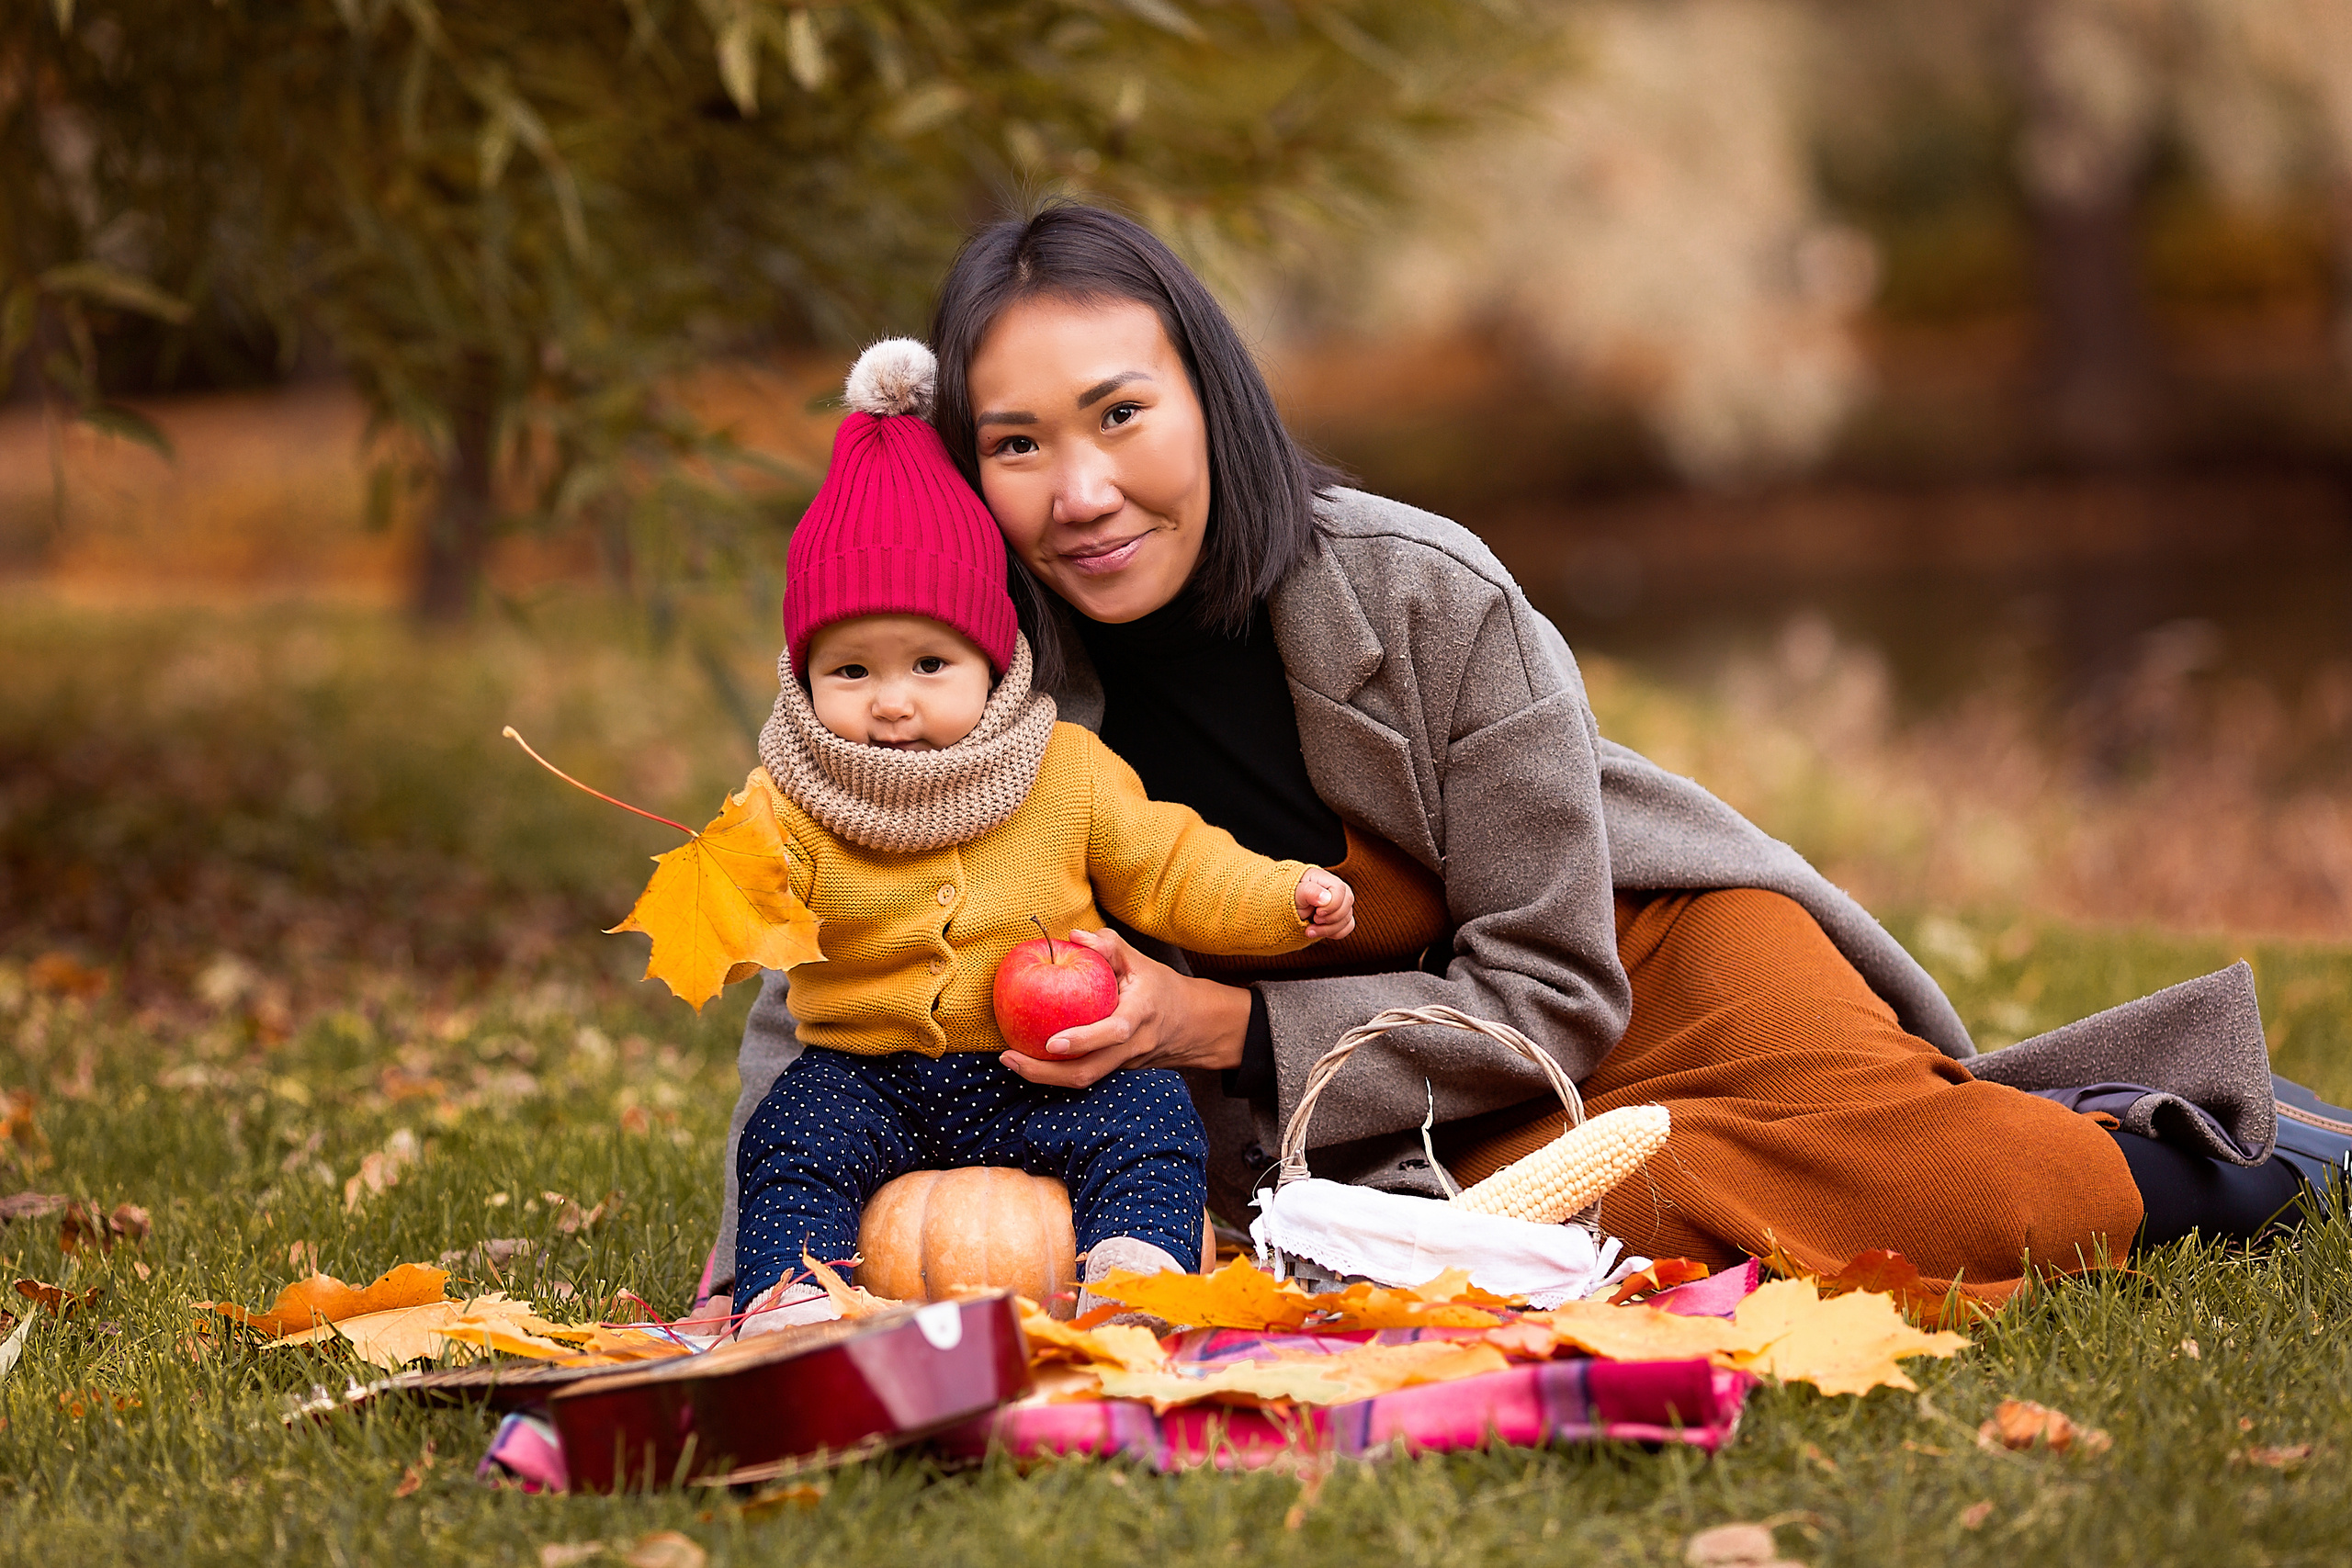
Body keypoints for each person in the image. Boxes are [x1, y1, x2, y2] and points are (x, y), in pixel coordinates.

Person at [699, 205, 2348, 1324]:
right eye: (1017, 443)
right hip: (1389, 1106)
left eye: (1120, 413)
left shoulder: (1420, 593)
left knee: (1922, 1174)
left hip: (1633, 963)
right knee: (1581, 1237)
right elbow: (828, 963)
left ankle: (2236, 1149)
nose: (1080, 490)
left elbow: (1555, 988)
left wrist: (1223, 1025)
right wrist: (741, 1279)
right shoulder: (961, 679)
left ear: (1212, 398)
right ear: (963, 467)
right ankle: (2031, 1114)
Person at [727, 337, 1355, 1321]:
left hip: (1041, 1068)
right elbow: (753, 927)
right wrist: (720, 895)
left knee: (1147, 1120)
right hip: (865, 1075)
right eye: (851, 673)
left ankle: (1136, 1270)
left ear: (993, 661)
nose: (891, 703)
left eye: (929, 666)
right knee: (791, 1142)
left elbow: (1171, 868)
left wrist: (1285, 898)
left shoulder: (1061, 771)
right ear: (804, 679)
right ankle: (785, 1299)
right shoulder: (792, 796)